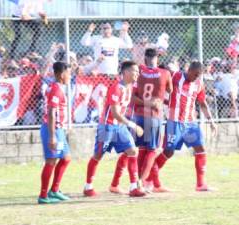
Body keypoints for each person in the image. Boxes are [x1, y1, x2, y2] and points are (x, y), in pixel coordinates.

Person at [146, 61, 217, 192]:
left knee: (200, 148)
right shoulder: (176, 77)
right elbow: (162, 78)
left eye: (198, 75)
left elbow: (202, 103)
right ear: (188, 70)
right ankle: (149, 180)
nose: (196, 77)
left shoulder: (198, 84)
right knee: (168, 151)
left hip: (190, 123)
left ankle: (200, 184)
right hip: (174, 122)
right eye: (195, 74)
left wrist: (211, 121)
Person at [83, 61, 146, 198]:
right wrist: (133, 125)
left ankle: (134, 187)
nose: (137, 74)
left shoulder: (129, 88)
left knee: (132, 151)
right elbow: (115, 113)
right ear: (126, 72)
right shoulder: (116, 88)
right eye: (135, 71)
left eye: (138, 71)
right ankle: (88, 187)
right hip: (107, 127)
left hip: (120, 127)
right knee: (98, 155)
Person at [131, 48, 172, 191]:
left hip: (139, 115)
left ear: (145, 58)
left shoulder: (139, 71)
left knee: (141, 150)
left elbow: (133, 96)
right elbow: (170, 91)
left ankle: (136, 182)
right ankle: (142, 182)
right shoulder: (165, 73)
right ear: (157, 59)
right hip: (154, 116)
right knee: (152, 151)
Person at [38, 62, 71, 204]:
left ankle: (55, 190)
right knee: (51, 161)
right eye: (68, 73)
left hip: (59, 129)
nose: (70, 76)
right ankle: (43, 195)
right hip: (52, 130)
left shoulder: (57, 87)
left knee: (66, 158)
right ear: (61, 74)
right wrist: (52, 136)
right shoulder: (56, 89)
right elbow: (51, 112)